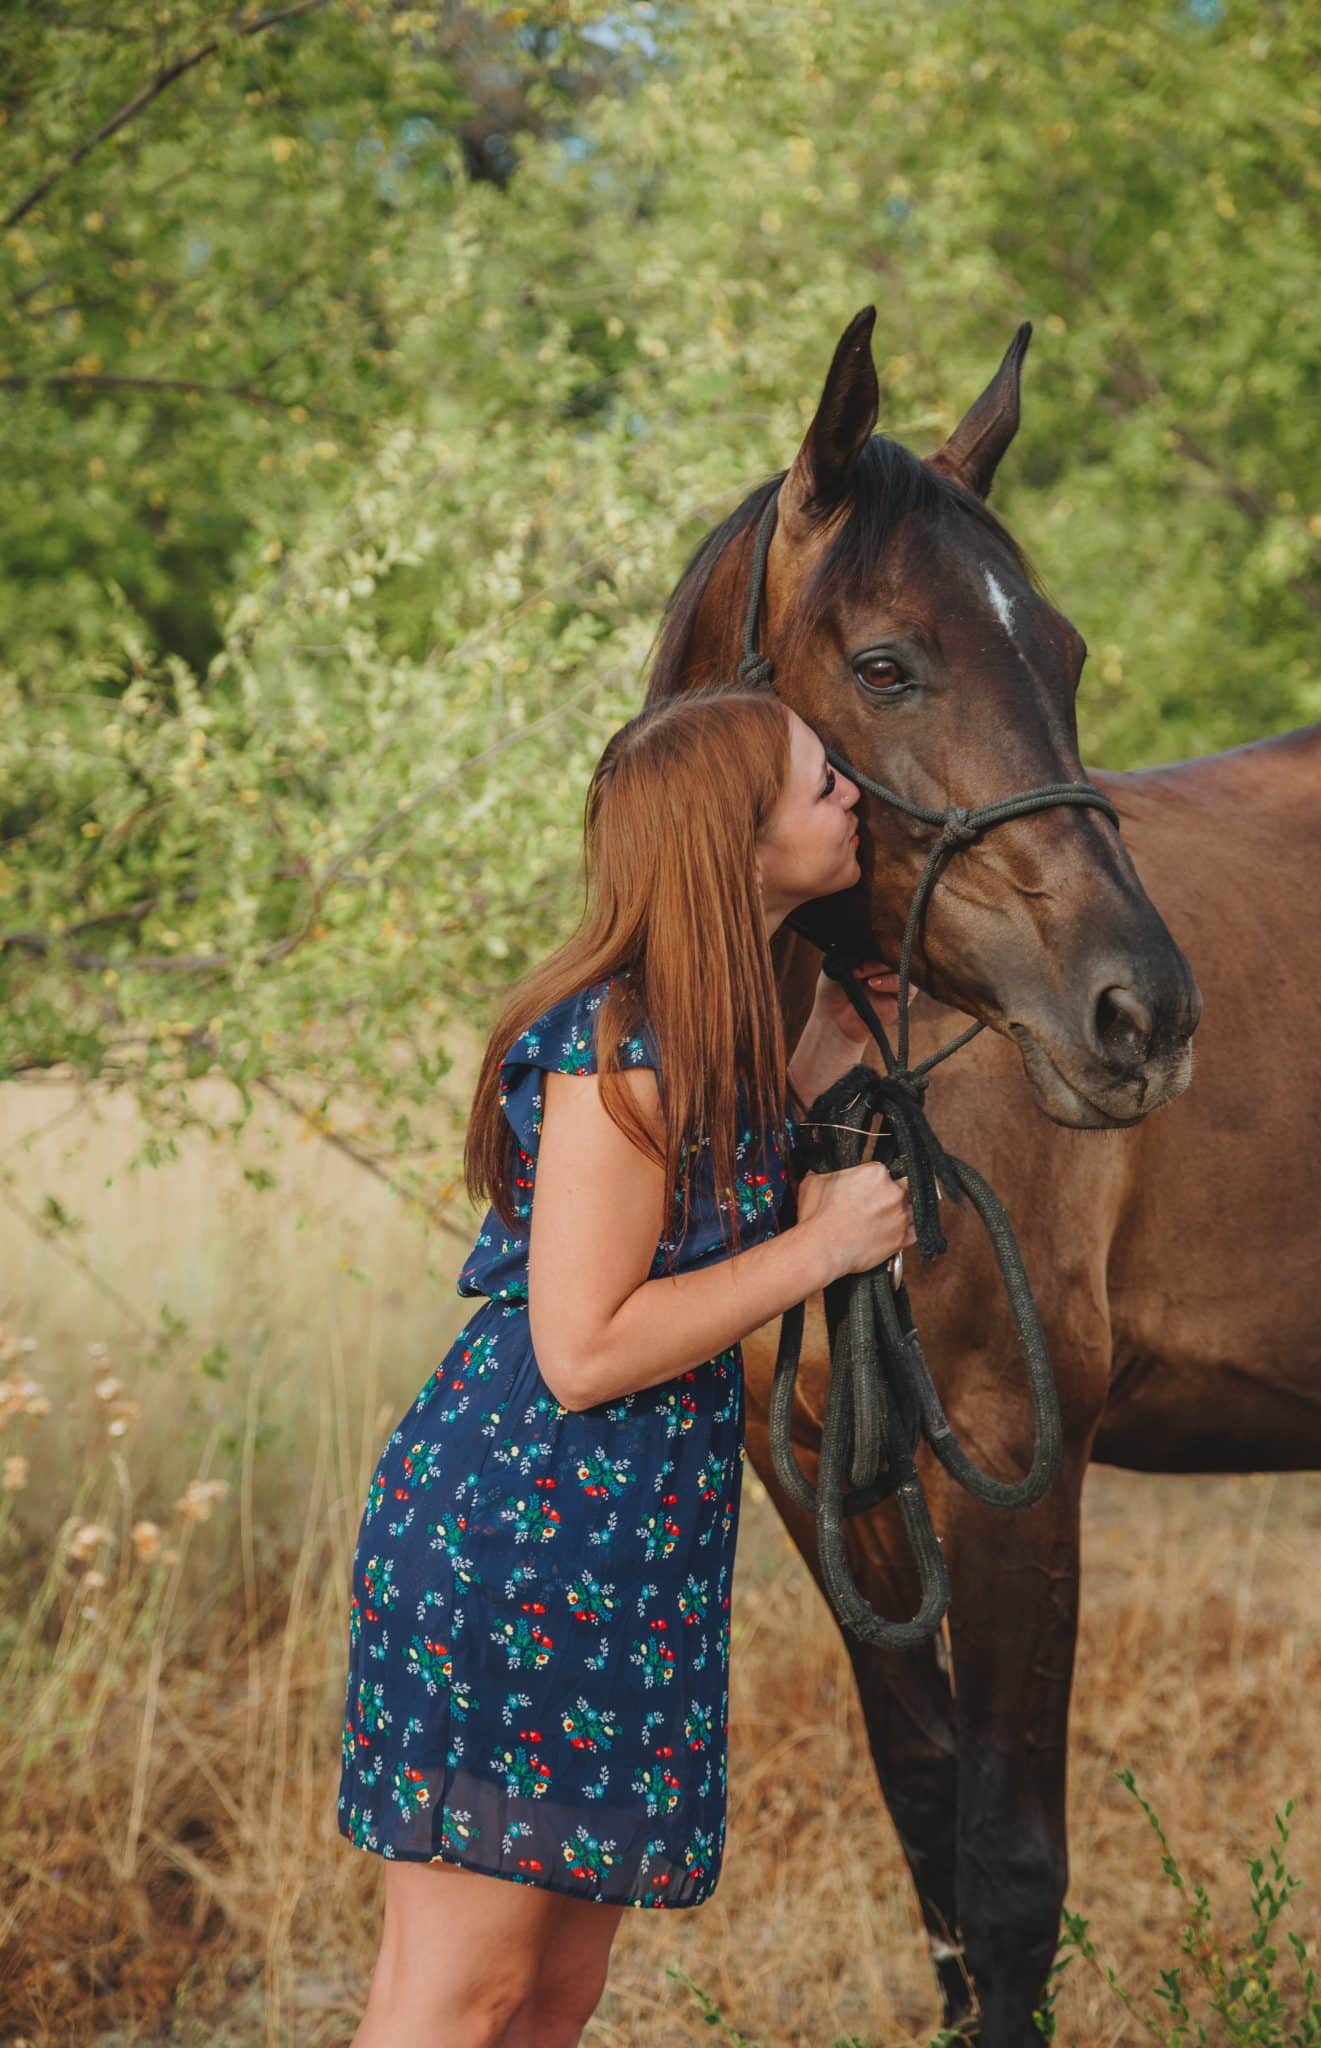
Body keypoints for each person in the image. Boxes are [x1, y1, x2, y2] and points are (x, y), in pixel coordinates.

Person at [338, 682, 918, 2048]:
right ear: (738, 837)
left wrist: (824, 1055)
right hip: (519, 1535)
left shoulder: (707, 1029)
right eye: (820, 780)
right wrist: (823, 1243)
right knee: (460, 1993)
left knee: (554, 1993)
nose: (850, 796)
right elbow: (585, 1349)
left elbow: (689, 1238)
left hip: (624, 1549)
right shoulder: (616, 1046)